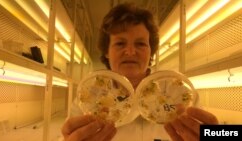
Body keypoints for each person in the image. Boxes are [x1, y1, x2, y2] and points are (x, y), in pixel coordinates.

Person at [62, 3, 218, 141]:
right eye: (120, 43)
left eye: (140, 44)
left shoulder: (180, 92)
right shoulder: (88, 98)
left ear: (151, 51)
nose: (130, 51)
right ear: (107, 52)